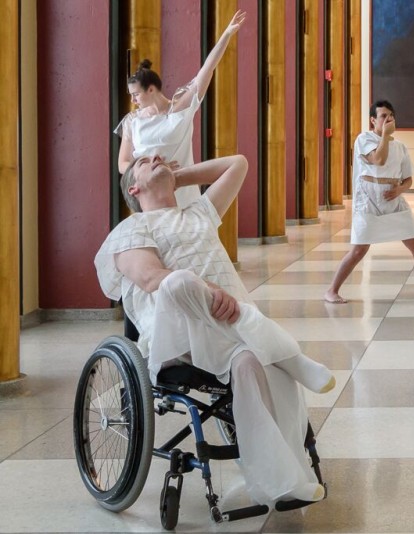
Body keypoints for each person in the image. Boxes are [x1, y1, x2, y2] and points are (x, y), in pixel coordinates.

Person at [95, 154, 333, 505]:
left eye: (159, 156)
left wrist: (176, 175)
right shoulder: (131, 229)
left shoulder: (199, 214)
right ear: (134, 186)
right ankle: (291, 355)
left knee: (253, 365)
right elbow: (151, 278)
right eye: (146, 161)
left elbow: (239, 163)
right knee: (176, 282)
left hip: (231, 337)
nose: (156, 157)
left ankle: (284, 481)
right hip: (179, 336)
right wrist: (209, 290)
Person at [116, 10, 246, 208]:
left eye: (136, 94)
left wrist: (226, 35)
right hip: (150, 194)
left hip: (183, 191)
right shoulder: (131, 121)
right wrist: (154, 167)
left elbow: (207, 70)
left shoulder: (179, 111)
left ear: (151, 89)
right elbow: (123, 164)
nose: (133, 101)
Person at [323, 100, 414, 304]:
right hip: (369, 200)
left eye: (391, 116)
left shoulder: (400, 147)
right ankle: (332, 290)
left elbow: (408, 179)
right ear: (373, 120)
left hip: (394, 200)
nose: (388, 119)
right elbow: (378, 160)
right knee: (360, 249)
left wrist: (399, 190)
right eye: (383, 116)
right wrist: (385, 136)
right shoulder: (364, 139)